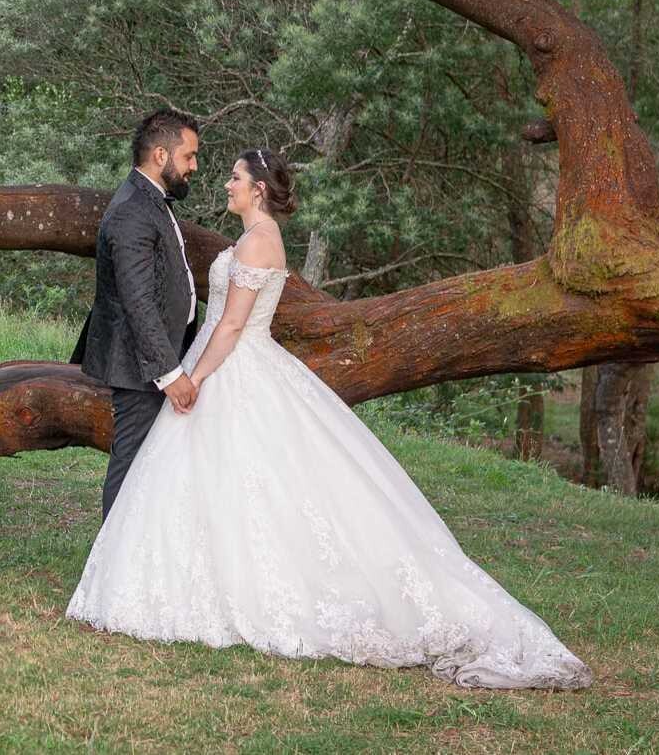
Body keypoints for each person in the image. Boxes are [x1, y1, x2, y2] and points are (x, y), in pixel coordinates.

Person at [67, 147, 593, 690]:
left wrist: (192, 379)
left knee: (247, 482)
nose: (227, 184)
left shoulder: (258, 240)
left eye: (235, 178)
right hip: (234, 364)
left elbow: (230, 328)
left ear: (259, 189)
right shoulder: (256, 238)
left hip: (234, 368)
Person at [70, 109, 204, 519]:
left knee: (151, 462)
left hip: (159, 354)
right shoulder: (132, 210)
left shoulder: (151, 200)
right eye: (189, 157)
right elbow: (137, 301)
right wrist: (169, 373)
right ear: (161, 155)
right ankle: (112, 562)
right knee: (130, 462)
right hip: (140, 363)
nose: (194, 167)